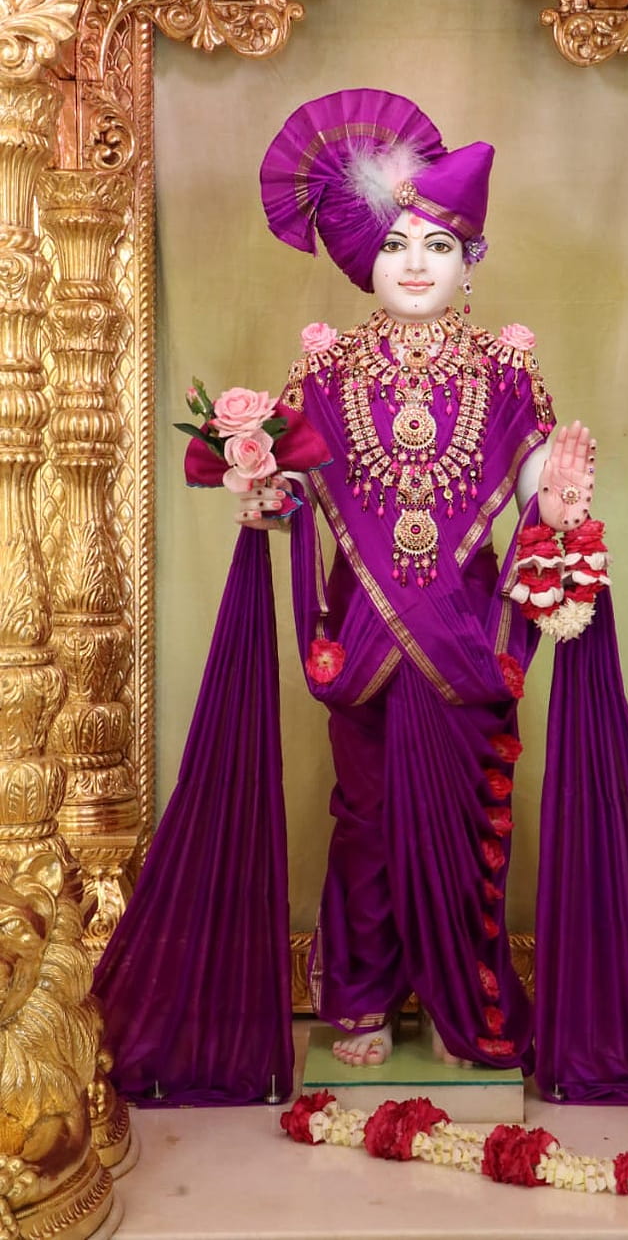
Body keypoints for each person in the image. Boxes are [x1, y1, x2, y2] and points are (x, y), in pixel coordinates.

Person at [239, 88, 597, 1071]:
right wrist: (255, 480)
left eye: (438, 246)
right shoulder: (325, 377)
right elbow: (293, 485)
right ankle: (356, 994)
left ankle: (459, 999)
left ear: (469, 262)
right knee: (365, 823)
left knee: (474, 821)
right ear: (366, 260)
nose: (414, 263)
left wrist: (556, 499)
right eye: (397, 244)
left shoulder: (507, 377)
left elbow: (527, 483)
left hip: (466, 637)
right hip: (358, 638)